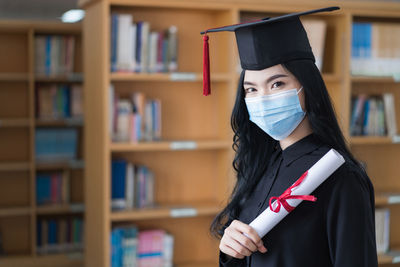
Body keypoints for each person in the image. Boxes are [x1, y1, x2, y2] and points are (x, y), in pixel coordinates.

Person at [201, 6, 378, 267]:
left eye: (277, 84)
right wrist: (230, 251)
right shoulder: (259, 167)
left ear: (307, 86)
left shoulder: (340, 178)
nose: (262, 98)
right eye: (251, 89)